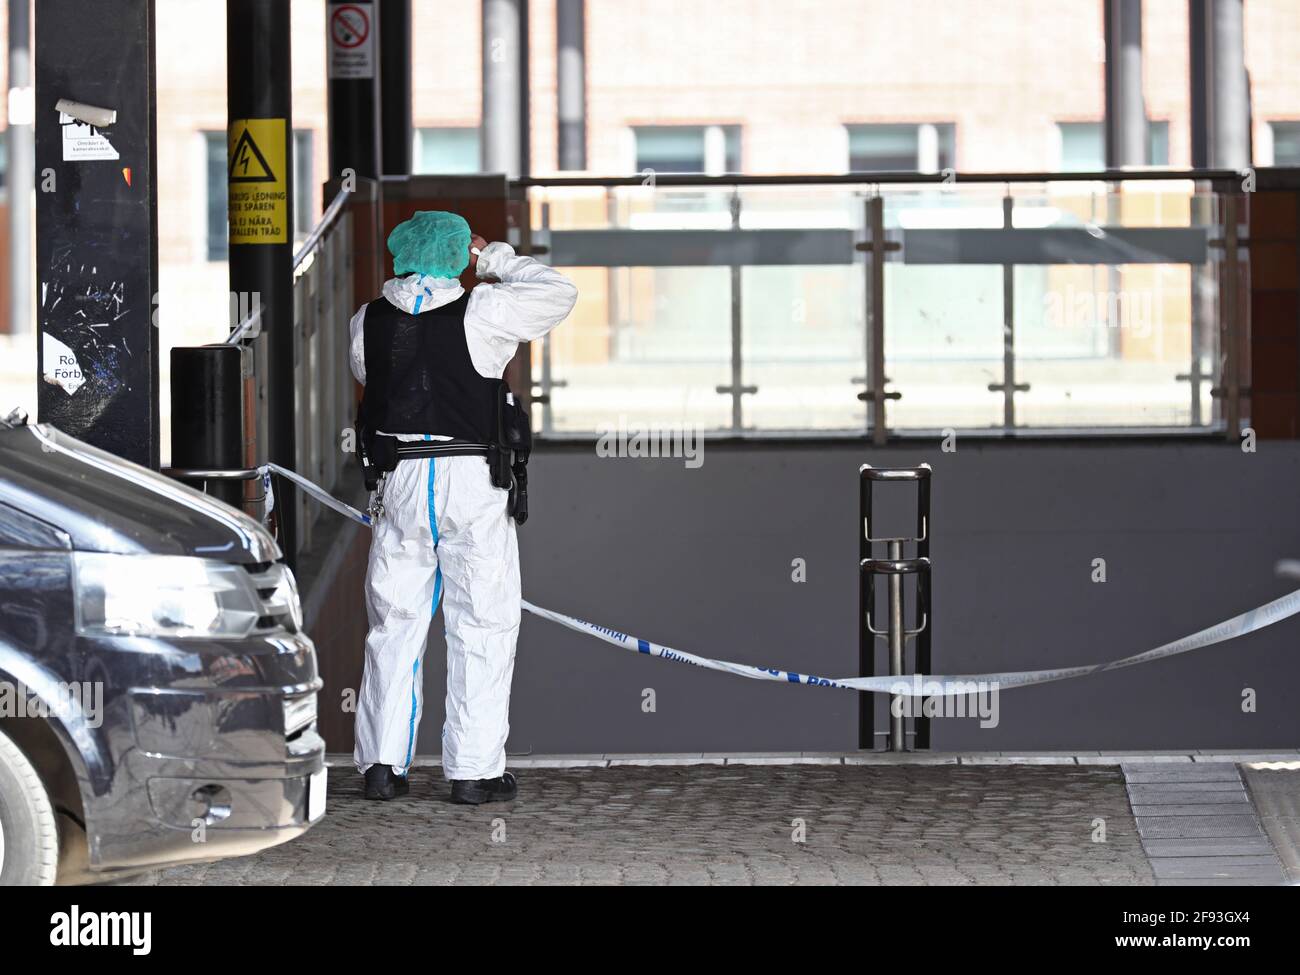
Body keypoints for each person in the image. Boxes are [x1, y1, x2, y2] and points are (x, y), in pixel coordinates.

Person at [349, 210, 577, 804]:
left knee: (394, 624)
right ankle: (473, 772)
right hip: (472, 479)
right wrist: (492, 258)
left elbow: (376, 380)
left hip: (399, 478)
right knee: (482, 622)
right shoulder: (484, 310)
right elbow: (559, 292)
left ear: (401, 255)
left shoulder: (366, 321)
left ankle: (381, 765)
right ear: (457, 254)